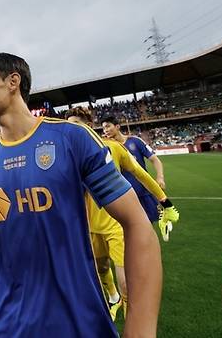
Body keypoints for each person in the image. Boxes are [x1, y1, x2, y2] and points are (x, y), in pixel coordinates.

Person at [0, 53, 161, 337]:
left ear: (12, 82)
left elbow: (136, 222)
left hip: (78, 324)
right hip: (5, 327)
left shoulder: (72, 138)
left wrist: (141, 328)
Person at [65, 106, 178, 321]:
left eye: (76, 125)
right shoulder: (65, 157)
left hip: (116, 225)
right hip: (87, 228)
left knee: (126, 283)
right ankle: (113, 297)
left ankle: (129, 323)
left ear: (89, 127)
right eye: (68, 125)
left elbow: (140, 173)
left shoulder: (113, 148)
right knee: (101, 269)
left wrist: (165, 201)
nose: (71, 130)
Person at [101, 116, 179, 239]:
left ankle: (161, 225)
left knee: (147, 228)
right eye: (103, 128)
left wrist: (160, 177)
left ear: (117, 126)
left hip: (144, 192)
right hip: (125, 195)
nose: (105, 130)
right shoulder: (106, 147)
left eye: (108, 126)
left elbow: (155, 160)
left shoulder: (135, 141)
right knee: (129, 230)